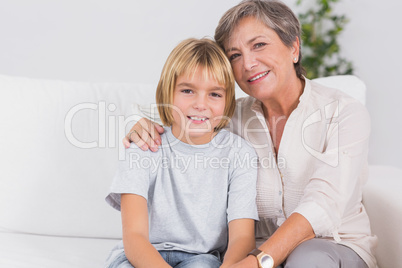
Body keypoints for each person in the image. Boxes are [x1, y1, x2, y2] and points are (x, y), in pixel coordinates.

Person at [123, 1, 378, 268]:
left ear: (293, 47)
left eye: (259, 45)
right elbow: (184, 124)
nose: (248, 63)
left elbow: (322, 205)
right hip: (248, 256)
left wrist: (255, 263)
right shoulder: (229, 119)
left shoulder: (344, 112)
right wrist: (142, 126)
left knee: (308, 260)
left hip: (329, 249)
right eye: (235, 55)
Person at [105, 38, 259, 268]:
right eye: (188, 90)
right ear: (168, 94)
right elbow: (135, 237)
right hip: (141, 256)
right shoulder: (142, 147)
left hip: (201, 258)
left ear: (227, 101)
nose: (200, 104)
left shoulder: (239, 154)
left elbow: (242, 238)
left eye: (214, 94)